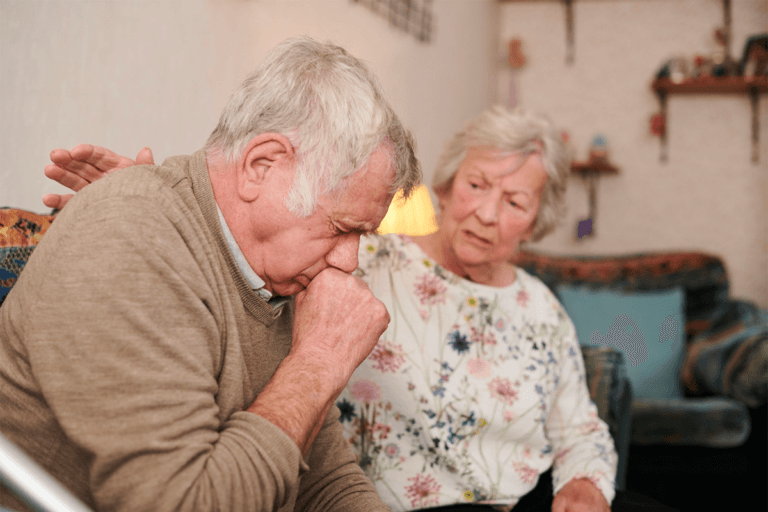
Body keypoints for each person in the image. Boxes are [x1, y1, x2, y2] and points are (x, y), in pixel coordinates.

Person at [42, 107, 678, 512]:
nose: (487, 213)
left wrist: (585, 486)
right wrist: (153, 198)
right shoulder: (361, 258)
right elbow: (256, 238)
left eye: (514, 202)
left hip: (529, 497)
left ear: (537, 221)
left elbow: (581, 426)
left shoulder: (539, 307)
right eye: (477, 185)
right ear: (447, 186)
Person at [0, 36, 421, 512]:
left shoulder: (273, 277)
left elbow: (326, 482)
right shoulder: (131, 232)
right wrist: (318, 361)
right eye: (342, 228)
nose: (349, 261)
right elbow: (180, 503)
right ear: (261, 165)